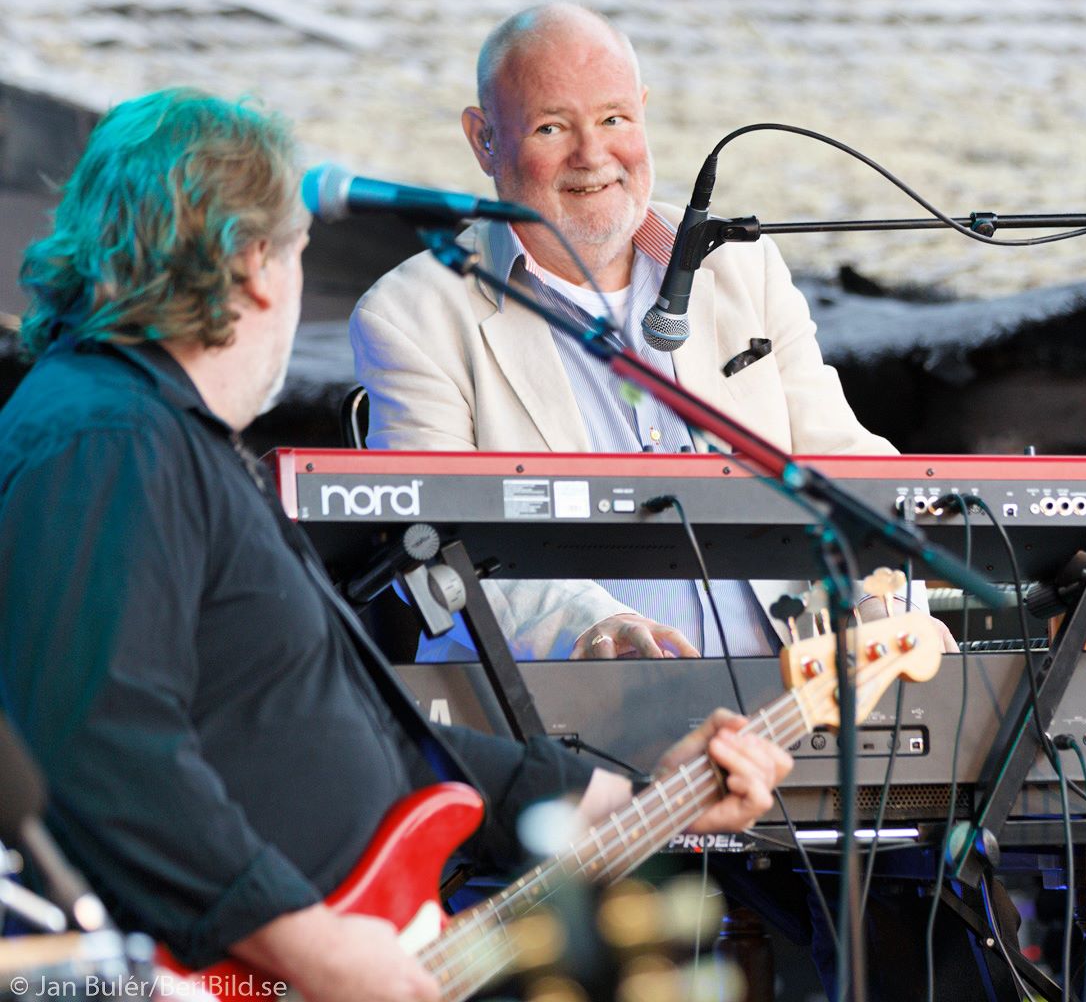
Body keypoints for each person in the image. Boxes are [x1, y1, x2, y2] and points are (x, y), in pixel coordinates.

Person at [0, 88, 791, 1002]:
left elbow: (383, 749)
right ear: (259, 264)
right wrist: (315, 950)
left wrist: (648, 796)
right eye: (301, 256)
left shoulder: (163, 441)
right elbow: (99, 741)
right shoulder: (107, 438)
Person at [350, 3, 956, 662]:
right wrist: (593, 631)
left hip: (796, 701)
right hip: (565, 720)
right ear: (484, 139)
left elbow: (845, 465)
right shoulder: (412, 315)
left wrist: (887, 610)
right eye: (552, 127)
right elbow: (433, 551)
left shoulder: (740, 265)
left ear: (643, 111)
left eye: (615, 118)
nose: (593, 155)